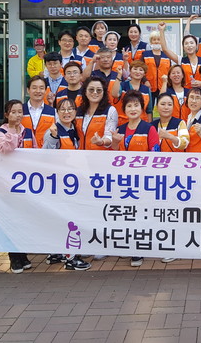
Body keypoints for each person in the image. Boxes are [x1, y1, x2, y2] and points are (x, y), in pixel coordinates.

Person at [111, 90, 160, 268]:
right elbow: (114, 154)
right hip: (124, 181)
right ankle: (129, 245)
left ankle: (138, 249)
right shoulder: (121, 129)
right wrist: (115, 142)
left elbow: (156, 155)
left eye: (136, 105)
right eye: (129, 106)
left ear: (142, 108)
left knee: (141, 214)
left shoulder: (149, 129)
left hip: (144, 180)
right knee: (128, 214)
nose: (133, 109)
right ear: (124, 109)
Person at [42, 98, 91, 271]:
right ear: (57, 112)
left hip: (72, 182)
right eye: (62, 109)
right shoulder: (53, 131)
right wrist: (53, 137)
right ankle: (71, 258)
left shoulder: (74, 129)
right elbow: (45, 155)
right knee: (70, 219)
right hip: (59, 182)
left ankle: (56, 252)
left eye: (70, 109)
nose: (67, 112)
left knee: (62, 218)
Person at [0, 99, 35, 273]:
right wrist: (12, 132)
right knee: (11, 220)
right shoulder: (1, 133)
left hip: (25, 184)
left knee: (24, 220)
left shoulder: (28, 132)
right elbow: (4, 150)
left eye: (20, 112)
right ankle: (14, 257)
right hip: (7, 185)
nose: (18, 115)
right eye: (13, 112)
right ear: (6, 114)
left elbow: (36, 153)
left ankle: (23, 254)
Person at [159, 23, 201, 89]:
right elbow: (165, 49)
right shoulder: (181, 60)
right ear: (183, 47)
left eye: (191, 43)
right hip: (185, 92)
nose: (189, 45)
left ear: (196, 46)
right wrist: (161, 31)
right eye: (186, 43)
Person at [75, 77, 118, 150]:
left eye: (99, 90)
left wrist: (101, 142)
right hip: (80, 154)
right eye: (91, 89)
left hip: (100, 154)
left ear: (104, 93)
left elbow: (109, 136)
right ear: (85, 92)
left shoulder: (110, 110)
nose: (95, 92)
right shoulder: (78, 111)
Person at [112, 60, 152, 125]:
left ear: (144, 74)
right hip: (123, 122)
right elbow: (114, 94)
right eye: (135, 69)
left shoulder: (147, 90)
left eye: (141, 70)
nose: (137, 72)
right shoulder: (123, 85)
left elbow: (149, 110)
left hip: (141, 123)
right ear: (130, 71)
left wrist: (149, 125)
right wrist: (119, 75)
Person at [22, 75, 56, 148]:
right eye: (34, 88)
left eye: (41, 88)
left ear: (45, 90)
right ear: (28, 90)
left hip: (46, 152)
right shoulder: (20, 110)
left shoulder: (53, 112)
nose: (38, 91)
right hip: (23, 152)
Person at [141, 30, 172, 96]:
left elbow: (170, 71)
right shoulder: (145, 54)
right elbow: (141, 69)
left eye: (158, 39)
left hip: (163, 86)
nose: (156, 41)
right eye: (154, 39)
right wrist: (145, 81)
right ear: (151, 41)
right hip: (148, 86)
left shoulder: (167, 55)